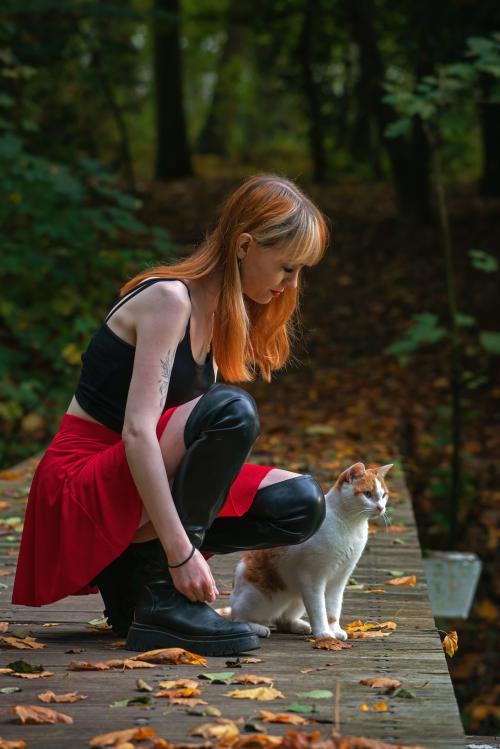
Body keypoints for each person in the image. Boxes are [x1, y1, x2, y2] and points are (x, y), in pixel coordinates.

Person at [12, 174, 330, 656]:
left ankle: (135, 585)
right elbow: (138, 433)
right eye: (287, 267)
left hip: (129, 484)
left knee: (301, 502)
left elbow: (189, 457)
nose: (291, 284)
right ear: (245, 245)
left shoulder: (220, 316)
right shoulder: (170, 299)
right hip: (79, 483)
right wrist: (183, 556)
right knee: (231, 411)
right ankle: (165, 598)